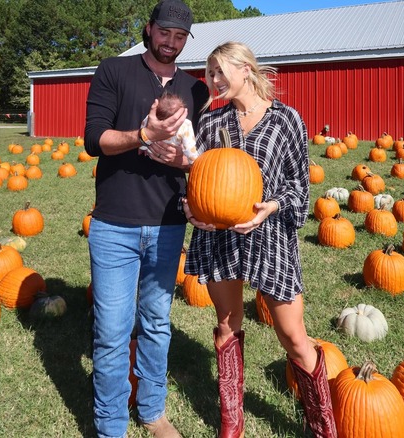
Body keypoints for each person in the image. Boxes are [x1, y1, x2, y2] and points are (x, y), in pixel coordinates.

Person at [182, 41, 337, 438]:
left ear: (245, 69)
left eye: (220, 71)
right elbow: (199, 182)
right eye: (209, 72)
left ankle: (322, 427)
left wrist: (271, 207)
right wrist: (191, 209)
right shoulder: (212, 124)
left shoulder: (286, 120)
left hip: (271, 237)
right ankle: (232, 424)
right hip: (220, 238)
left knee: (293, 335)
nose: (213, 80)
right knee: (226, 325)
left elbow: (298, 187)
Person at [82, 1, 208, 437]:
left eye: (180, 37)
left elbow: (204, 161)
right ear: (149, 29)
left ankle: (152, 412)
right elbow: (94, 139)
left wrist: (185, 163)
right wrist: (143, 135)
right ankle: (110, 424)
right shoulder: (113, 71)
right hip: (114, 223)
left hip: (169, 223)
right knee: (113, 330)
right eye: (165, 32)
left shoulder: (197, 89)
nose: (170, 42)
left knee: (156, 323)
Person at [139, 91, 199, 163]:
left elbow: (143, 131)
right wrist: (194, 161)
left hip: (151, 152)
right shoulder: (185, 125)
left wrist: (142, 147)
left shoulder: (151, 118)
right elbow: (189, 146)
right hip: (170, 154)